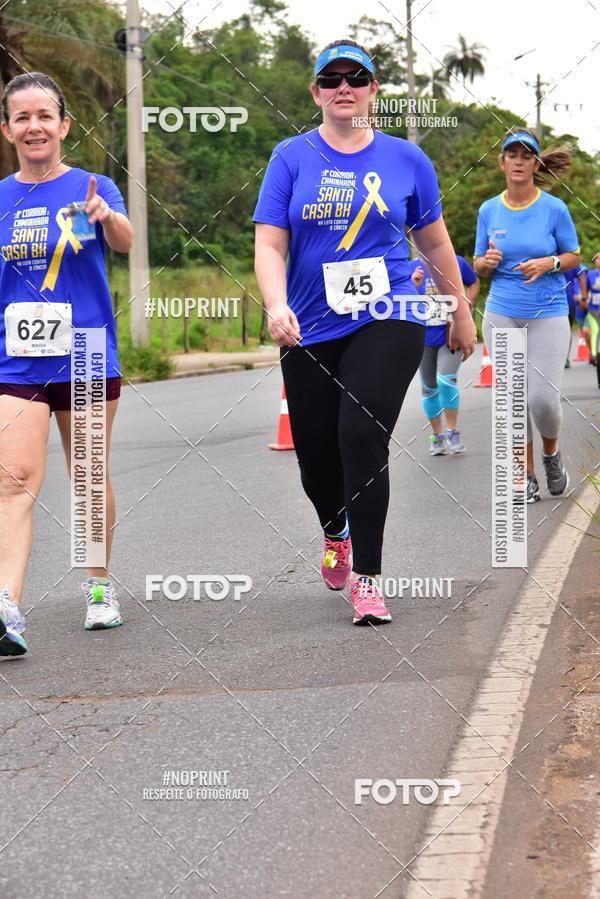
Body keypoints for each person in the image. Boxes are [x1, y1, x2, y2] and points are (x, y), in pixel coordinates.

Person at [254, 40, 476, 625]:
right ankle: (336, 532)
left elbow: (433, 242)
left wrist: (459, 311)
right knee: (315, 459)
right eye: (332, 79)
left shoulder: (406, 159)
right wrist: (276, 304)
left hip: (390, 313)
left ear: (374, 89)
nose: (344, 87)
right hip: (309, 324)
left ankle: (369, 579)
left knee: (360, 434)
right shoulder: (290, 157)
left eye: (356, 78)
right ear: (316, 92)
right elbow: (270, 242)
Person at [0, 73, 133, 656]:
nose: (34, 126)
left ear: (63, 125)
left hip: (85, 353)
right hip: (15, 360)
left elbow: (125, 242)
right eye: (22, 117)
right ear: (7, 130)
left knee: (87, 477)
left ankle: (99, 586)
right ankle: (6, 608)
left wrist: (107, 218)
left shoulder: (91, 188)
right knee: (12, 479)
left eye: (44, 116)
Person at [474, 129, 580, 503]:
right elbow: (478, 264)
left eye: (526, 156)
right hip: (502, 312)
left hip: (548, 312)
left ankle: (551, 453)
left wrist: (549, 262)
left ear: (536, 164)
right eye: (512, 155)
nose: (519, 161)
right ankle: (525, 475)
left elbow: (573, 256)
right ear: (502, 162)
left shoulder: (554, 208)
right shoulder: (489, 210)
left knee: (543, 400)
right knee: (513, 400)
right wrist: (485, 262)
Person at [410, 254, 479, 454]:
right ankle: (437, 436)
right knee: (429, 388)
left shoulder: (456, 261)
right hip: (423, 336)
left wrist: (467, 303)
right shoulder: (411, 267)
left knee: (445, 380)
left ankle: (452, 431)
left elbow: (474, 282)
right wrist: (413, 285)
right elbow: (401, 299)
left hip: (450, 334)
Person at [563, 262, 589, 368]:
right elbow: (582, 278)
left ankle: (564, 357)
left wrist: (583, 298)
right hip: (554, 301)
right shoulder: (571, 259)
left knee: (566, 331)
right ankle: (562, 358)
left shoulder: (571, 261)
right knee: (564, 331)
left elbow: (582, 278)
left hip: (567, 301)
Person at [586, 254, 600, 381]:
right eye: (597, 259)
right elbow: (585, 290)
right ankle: (594, 354)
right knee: (594, 332)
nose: (599, 261)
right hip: (593, 309)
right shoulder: (590, 274)